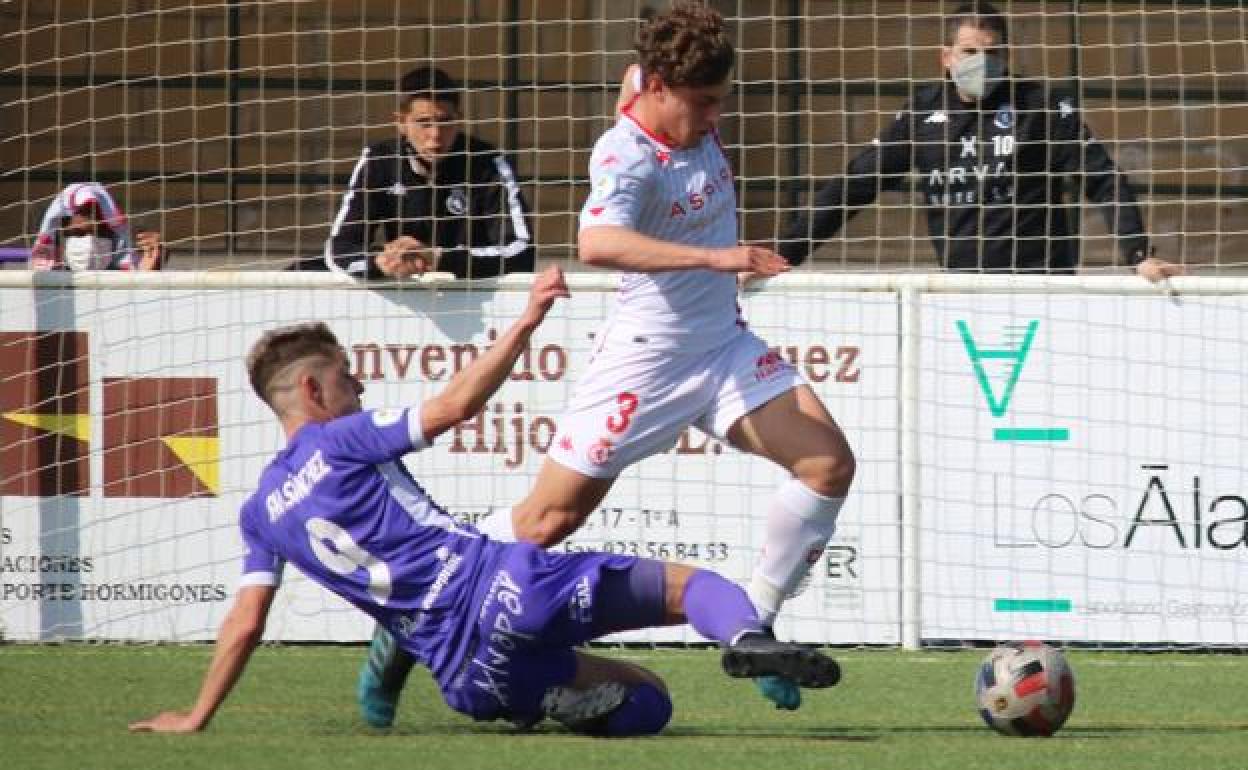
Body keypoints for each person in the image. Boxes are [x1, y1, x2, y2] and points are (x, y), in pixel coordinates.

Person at [360, 1, 856, 723]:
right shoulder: (623, 155)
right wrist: (718, 256)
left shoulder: (656, 90)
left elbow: (646, 64)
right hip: (645, 364)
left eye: (720, 100)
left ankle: (758, 633)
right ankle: (402, 627)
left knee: (828, 465)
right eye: (705, 103)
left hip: (722, 347)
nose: (716, 118)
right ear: (657, 88)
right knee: (544, 522)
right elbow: (598, 242)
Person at [127, 265, 840, 737]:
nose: (360, 389)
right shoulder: (339, 440)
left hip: (464, 673)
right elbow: (453, 406)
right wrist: (526, 322)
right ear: (313, 392)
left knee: (647, 702)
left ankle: (553, 699)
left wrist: (196, 715)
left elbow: (245, 622)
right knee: (700, 593)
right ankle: (746, 637)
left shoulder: (260, 515)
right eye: (347, 378)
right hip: (504, 585)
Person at [779, 0, 1184, 282]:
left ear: (1006, 57)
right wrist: (786, 254)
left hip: (1041, 288)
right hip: (962, 290)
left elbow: (1103, 179)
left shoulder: (1039, 107)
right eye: (969, 51)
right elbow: (856, 184)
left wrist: (1138, 254)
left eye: (992, 53)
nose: (981, 63)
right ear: (946, 57)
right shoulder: (922, 114)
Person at [320, 66, 535, 280]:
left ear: (458, 118)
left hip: (470, 290)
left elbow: (521, 251)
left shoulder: (487, 163)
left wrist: (437, 258)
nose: (436, 135)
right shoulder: (379, 161)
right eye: (424, 123)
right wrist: (380, 263)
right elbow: (339, 247)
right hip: (403, 290)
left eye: (445, 122)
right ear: (401, 122)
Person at [30, 182, 165, 271]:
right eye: (78, 234)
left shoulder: (123, 284)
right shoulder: (38, 287)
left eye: (100, 234)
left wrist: (149, 275)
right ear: (58, 236)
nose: (90, 244)